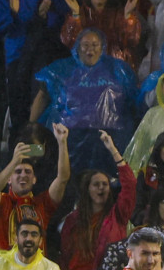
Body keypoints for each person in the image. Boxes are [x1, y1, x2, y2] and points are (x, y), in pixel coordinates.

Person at [31, 28, 139, 176]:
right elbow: (42, 97)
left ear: (102, 47)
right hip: (69, 140)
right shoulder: (61, 69)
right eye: (86, 45)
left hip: (110, 141)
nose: (90, 50)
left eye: (95, 45)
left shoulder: (118, 69)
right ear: (77, 47)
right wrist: (32, 127)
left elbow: (133, 101)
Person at [0, 0, 68, 141]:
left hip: (44, 56)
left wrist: (47, 15)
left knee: (39, 108)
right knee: (18, 107)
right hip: (17, 54)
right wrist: (12, 14)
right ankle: (19, 158)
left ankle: (37, 158)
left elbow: (66, 18)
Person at [59, 131, 136, 270]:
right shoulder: (73, 220)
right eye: (96, 184)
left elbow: (131, 185)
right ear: (87, 189)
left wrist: (113, 150)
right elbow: (65, 254)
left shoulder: (117, 214)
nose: (102, 187)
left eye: (105, 184)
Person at [0, 123, 71, 263]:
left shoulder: (42, 204)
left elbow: (63, 178)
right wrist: (14, 161)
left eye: (28, 172)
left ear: (35, 179)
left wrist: (62, 142)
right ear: (8, 179)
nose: (23, 175)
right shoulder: (1, 202)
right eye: (18, 172)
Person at [60, 0, 142, 71]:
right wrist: (75, 16)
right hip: (86, 70)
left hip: (115, 70)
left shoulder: (120, 13)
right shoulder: (80, 13)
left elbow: (132, 40)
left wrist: (127, 18)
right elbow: (68, 40)